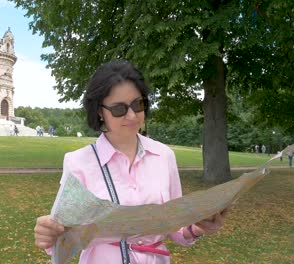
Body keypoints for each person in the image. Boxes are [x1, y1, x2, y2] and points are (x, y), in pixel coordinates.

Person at [33, 60, 228, 263]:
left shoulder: (164, 156)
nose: (132, 115)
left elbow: (175, 226)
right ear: (100, 111)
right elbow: (62, 236)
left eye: (138, 104)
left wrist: (195, 228)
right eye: (119, 109)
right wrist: (49, 234)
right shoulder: (78, 163)